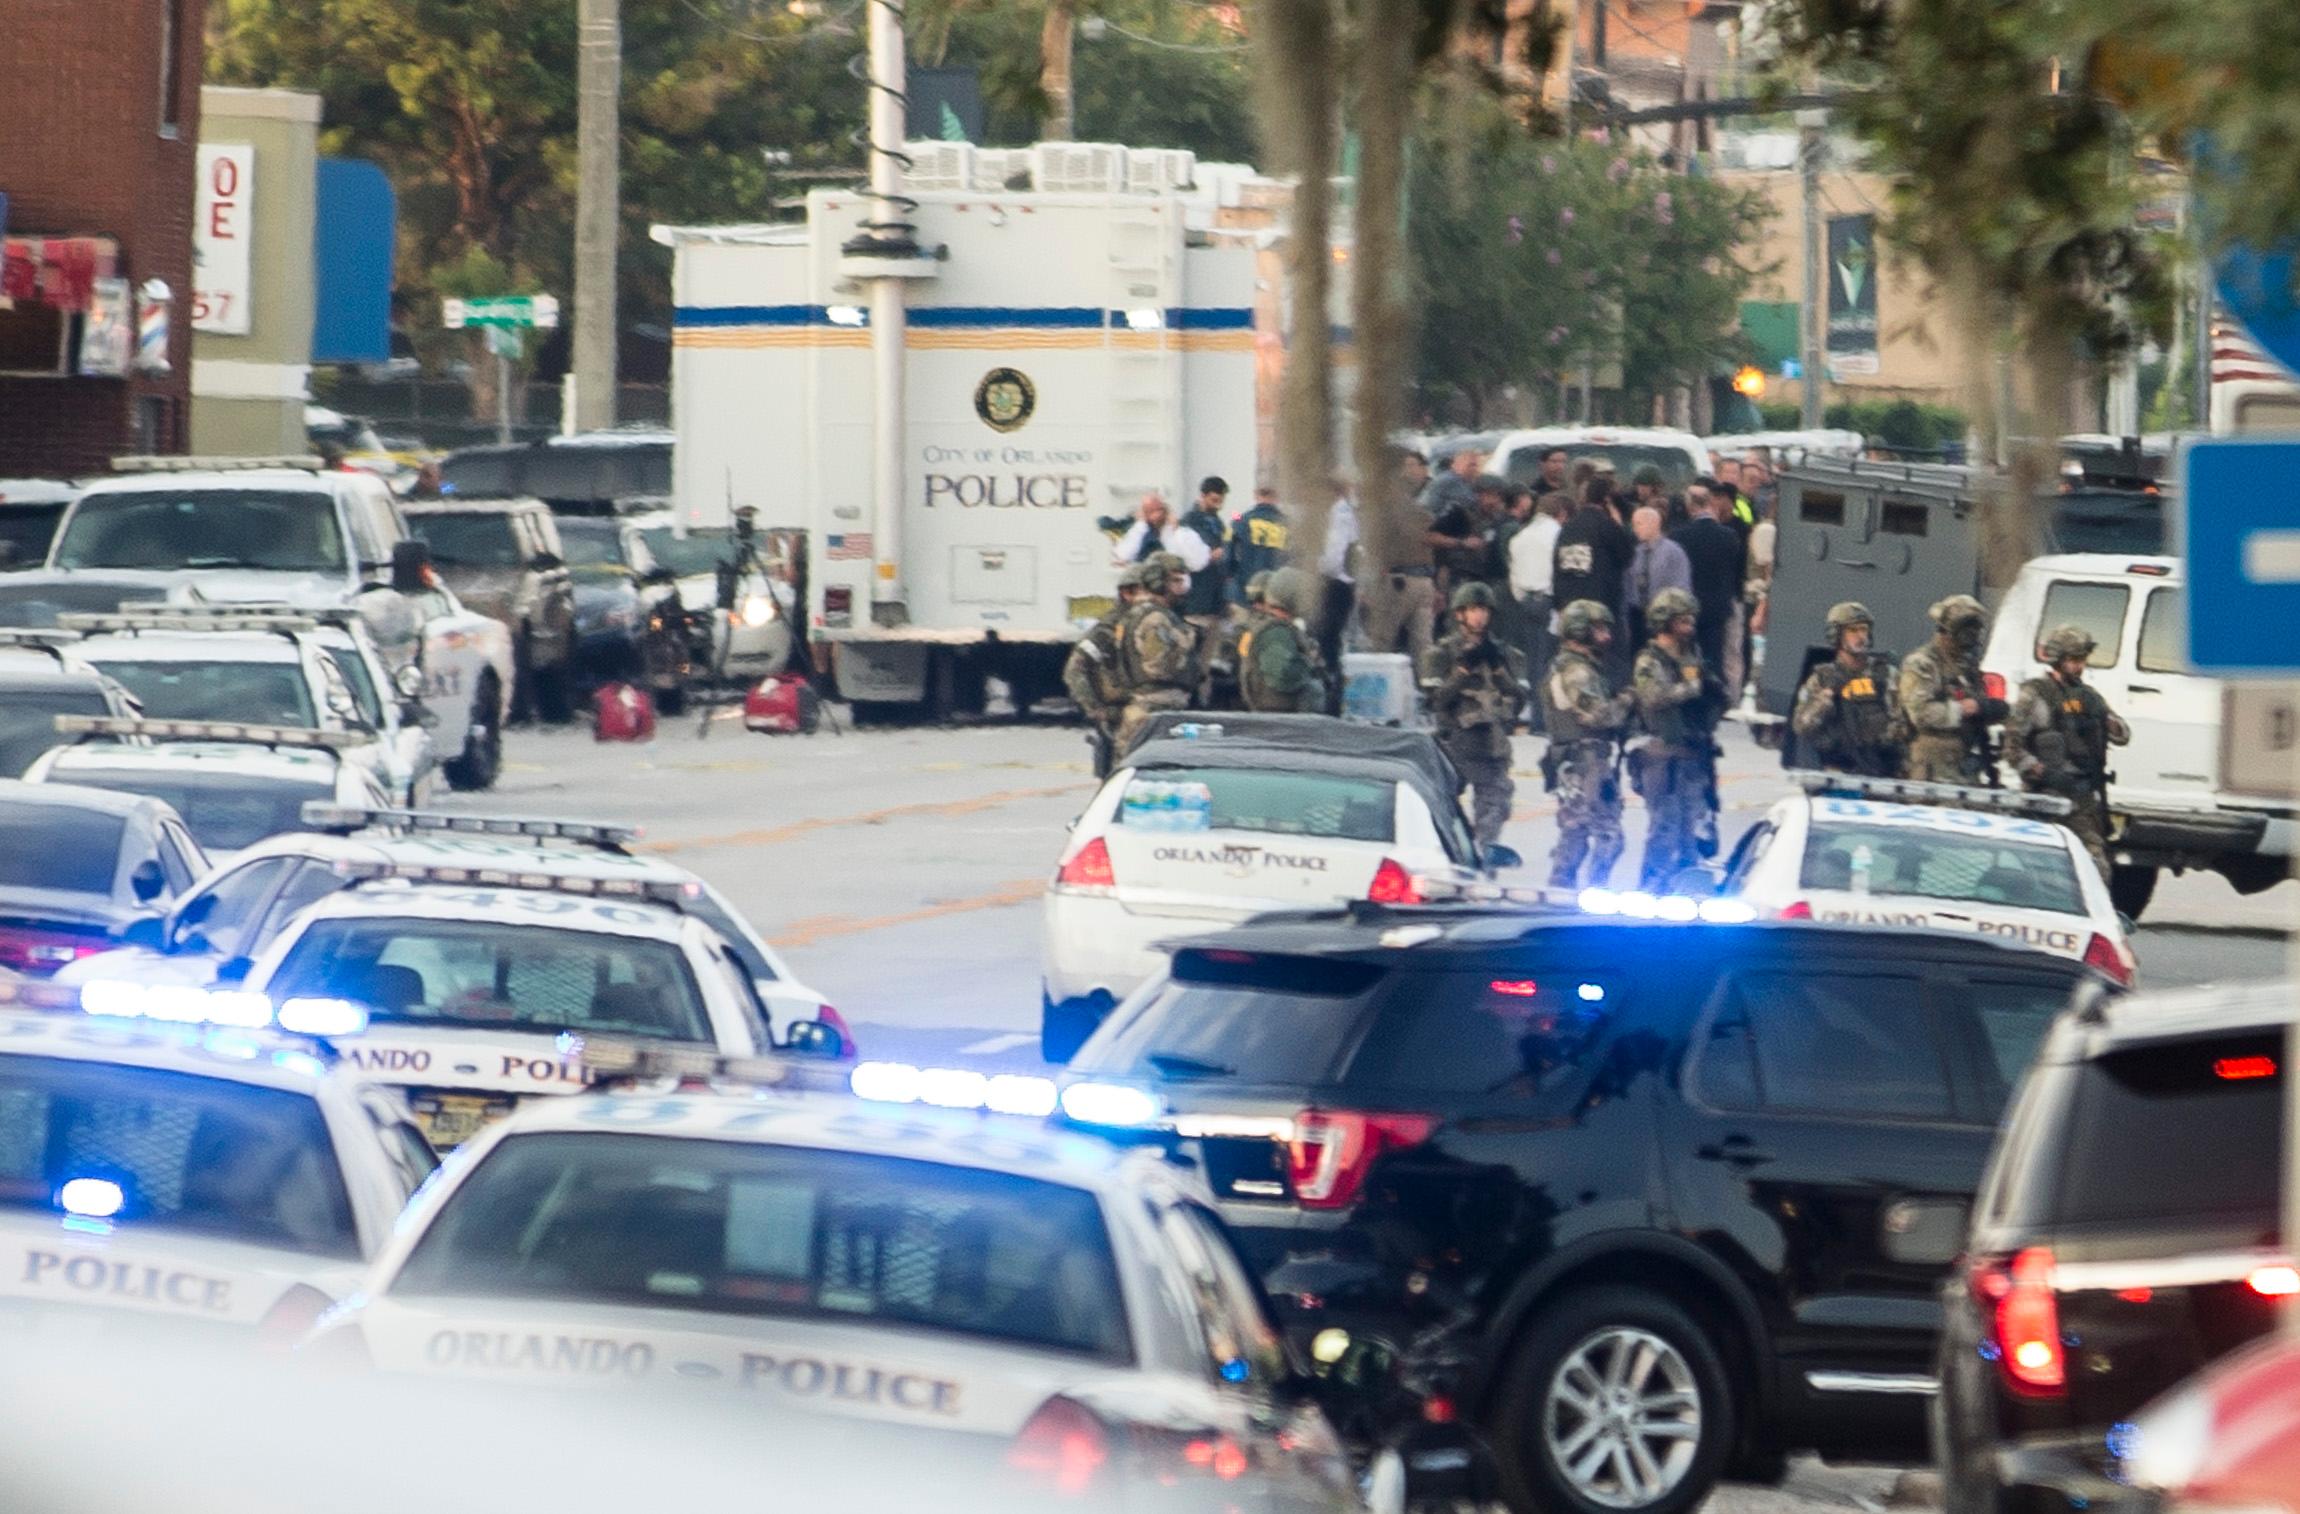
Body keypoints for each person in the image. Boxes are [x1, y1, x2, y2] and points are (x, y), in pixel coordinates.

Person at [2006, 624, 2130, 876]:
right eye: (2073, 660)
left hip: (2083, 796)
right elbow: (2012, 747)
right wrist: (2040, 771)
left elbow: (2123, 735)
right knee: (2039, 867)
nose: (2079, 666)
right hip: (2046, 795)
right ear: (2058, 660)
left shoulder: (2089, 696)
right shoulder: (2036, 694)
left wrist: (2108, 723)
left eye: (2082, 660)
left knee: (2095, 862)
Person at [1421, 582, 1526, 848]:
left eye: (1483, 610)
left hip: (1491, 748)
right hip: (1454, 745)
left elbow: (1520, 700)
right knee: (1440, 813)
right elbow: (1436, 700)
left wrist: (1499, 671)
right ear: (1459, 614)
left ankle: (1482, 864)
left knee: (1494, 813)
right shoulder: (1441, 654)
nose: (1479, 616)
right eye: (1472, 610)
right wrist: (1462, 671)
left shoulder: (1506, 654)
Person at [1631, 587, 1722, 889]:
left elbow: (1715, 696)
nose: (1689, 626)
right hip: (1664, 759)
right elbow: (1652, 696)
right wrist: (1690, 689)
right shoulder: (1649, 660)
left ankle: (1684, 891)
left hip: (1694, 757)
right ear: (1665, 622)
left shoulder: (1692, 657)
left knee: (1692, 833)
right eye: (1683, 620)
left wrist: (1712, 692)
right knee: (1663, 830)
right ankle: (1650, 889)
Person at [1543, 599, 1634, 890]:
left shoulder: (1582, 667)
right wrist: (1628, 701)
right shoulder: (1577, 672)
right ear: (1580, 631)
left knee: (1577, 835)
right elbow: (1598, 715)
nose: (1606, 636)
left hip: (1585, 761)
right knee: (1604, 837)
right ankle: (1590, 894)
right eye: (1598, 629)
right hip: (1584, 763)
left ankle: (1564, 896)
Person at [1896, 594, 2008, 783]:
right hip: (1932, 769)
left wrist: (1989, 708)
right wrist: (1964, 708)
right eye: (1967, 628)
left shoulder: (1968, 666)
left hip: (1966, 764)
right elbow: (1920, 713)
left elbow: (1980, 708)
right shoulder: (1923, 664)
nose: (1971, 635)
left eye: (1975, 628)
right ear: (1948, 629)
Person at [1791, 601, 1902, 776]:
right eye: (1853, 630)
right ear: (1836, 634)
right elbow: (1801, 726)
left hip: (1882, 769)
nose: (1860, 636)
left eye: (1863, 629)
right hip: (1839, 771)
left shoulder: (1886, 675)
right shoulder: (1822, 679)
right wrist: (1824, 700)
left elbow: (1903, 721)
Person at [1063, 563, 1148, 776]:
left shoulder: (1144, 622)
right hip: (1118, 714)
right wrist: (1096, 709)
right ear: (1128, 593)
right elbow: (1076, 668)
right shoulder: (1109, 628)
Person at [1113, 552, 1199, 750]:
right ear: (1158, 582)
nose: (1181, 589)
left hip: (1154, 710)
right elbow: (1157, 667)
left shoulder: (1151, 615)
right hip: (1154, 711)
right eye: (1175, 581)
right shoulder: (1155, 619)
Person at [1553, 477, 1634, 678]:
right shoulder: (1606, 526)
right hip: (1603, 611)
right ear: (1606, 500)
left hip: (1572, 611)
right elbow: (1627, 556)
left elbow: (1559, 567)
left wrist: (1560, 604)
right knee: (1611, 664)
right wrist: (1619, 524)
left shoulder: (1568, 528)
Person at [1670, 479, 1746, 682]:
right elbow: (1736, 571)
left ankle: (1693, 690)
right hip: (1718, 607)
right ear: (1710, 504)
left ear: (1690, 506)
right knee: (1715, 657)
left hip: (1690, 607)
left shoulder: (1680, 536)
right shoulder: (1729, 536)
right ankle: (1715, 693)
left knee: (1689, 655)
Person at [1509, 483, 1563, 730]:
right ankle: (1548, 720)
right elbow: (1558, 572)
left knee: (1533, 662)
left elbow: (1514, 575)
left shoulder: (1520, 537)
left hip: (1527, 601)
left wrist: (1523, 597)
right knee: (1550, 662)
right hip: (1548, 600)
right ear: (1560, 512)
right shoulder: (1557, 535)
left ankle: (1537, 719)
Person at [1238, 567, 1327, 713]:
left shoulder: (1278, 627)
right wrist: (1309, 662)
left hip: (1278, 713)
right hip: (1278, 715)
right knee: (1314, 689)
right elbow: (1283, 677)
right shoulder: (1275, 632)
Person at [1622, 505, 1693, 650]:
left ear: (1654, 523)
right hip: (1637, 617)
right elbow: (1628, 584)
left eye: (1638, 524)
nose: (1635, 529)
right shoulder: (1635, 553)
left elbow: (1682, 587)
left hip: (1664, 617)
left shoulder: (1674, 552)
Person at [1317, 481, 1360, 711]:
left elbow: (1333, 558)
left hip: (1334, 585)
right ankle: (1333, 694)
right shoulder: (1346, 513)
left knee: (1327, 641)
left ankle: (1331, 699)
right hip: (1343, 586)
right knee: (1332, 642)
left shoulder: (1338, 515)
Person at [1177, 477, 1233, 630]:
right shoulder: (1190, 521)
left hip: (1216, 598)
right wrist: (1210, 554)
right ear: (1203, 496)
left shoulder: (1218, 522)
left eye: (1221, 501)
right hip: (1198, 596)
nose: (1218, 505)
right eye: (1214, 500)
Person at [1110, 492, 1211, 574]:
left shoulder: (1182, 533)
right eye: (1150, 511)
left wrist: (1175, 529)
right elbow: (1122, 555)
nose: (1156, 516)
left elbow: (1197, 563)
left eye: (1159, 510)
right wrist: (1140, 526)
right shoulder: (1140, 532)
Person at [1228, 483, 1290, 601]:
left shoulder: (1240, 520)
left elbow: (1226, 558)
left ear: (1255, 495)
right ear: (1277, 496)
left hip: (1244, 592)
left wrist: (1232, 575)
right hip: (1276, 597)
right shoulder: (1288, 524)